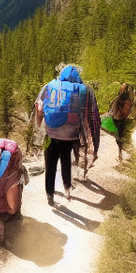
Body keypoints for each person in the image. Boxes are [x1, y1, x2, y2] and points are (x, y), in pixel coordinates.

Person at [34, 64, 100, 206]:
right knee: (66, 161)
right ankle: (67, 190)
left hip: (51, 134)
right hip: (71, 136)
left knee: (50, 165)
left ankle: (50, 196)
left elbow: (39, 109)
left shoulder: (49, 86)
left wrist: (39, 125)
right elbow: (90, 115)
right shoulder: (83, 91)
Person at [109, 82, 134, 161]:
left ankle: (120, 155)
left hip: (119, 119)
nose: (121, 89)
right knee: (119, 137)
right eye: (121, 88)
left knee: (120, 137)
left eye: (123, 88)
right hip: (117, 119)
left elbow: (125, 112)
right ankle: (120, 154)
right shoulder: (120, 98)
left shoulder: (125, 100)